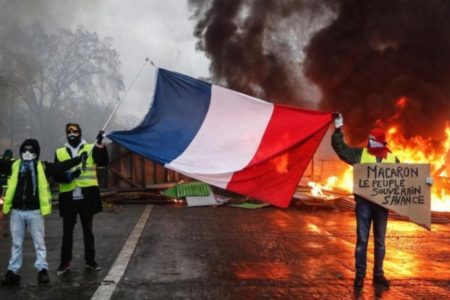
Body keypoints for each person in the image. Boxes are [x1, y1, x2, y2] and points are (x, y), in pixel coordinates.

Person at [0, 139, 85, 285]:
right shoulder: (14, 165)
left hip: (35, 212)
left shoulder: (43, 166)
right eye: (24, 150)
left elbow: (60, 166)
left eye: (30, 150)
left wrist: (78, 159)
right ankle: (12, 271)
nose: (27, 153)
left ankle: (42, 270)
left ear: (36, 152)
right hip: (17, 211)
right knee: (16, 243)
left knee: (39, 242)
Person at [54, 123, 108, 276]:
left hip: (87, 195)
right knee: (67, 232)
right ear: (66, 133)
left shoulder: (90, 148)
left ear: (80, 132)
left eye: (75, 130)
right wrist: (68, 176)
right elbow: (56, 173)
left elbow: (103, 162)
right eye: (69, 131)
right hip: (68, 195)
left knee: (88, 230)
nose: (72, 133)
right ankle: (65, 262)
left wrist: (99, 145)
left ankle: (90, 261)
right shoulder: (60, 151)